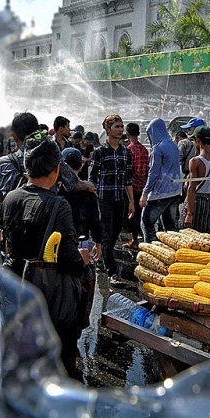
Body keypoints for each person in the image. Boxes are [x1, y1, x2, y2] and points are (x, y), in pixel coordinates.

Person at [0, 132, 88, 378]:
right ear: (55, 170)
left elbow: (7, 244)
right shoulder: (59, 205)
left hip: (16, 291)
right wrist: (84, 257)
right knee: (57, 364)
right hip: (48, 298)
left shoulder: (10, 198)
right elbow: (69, 259)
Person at [89, 114, 134, 288]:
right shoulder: (100, 152)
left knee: (115, 231)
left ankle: (102, 256)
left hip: (119, 198)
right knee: (107, 234)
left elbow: (128, 179)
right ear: (107, 129)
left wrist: (131, 201)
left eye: (121, 126)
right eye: (116, 126)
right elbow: (93, 176)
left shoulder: (125, 152)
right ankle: (112, 272)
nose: (120, 129)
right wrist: (91, 196)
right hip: (104, 198)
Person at [140, 118, 182, 243]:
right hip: (175, 191)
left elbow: (153, 173)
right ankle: (173, 252)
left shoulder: (157, 149)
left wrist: (145, 193)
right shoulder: (173, 145)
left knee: (147, 222)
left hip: (160, 193)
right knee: (170, 228)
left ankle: (150, 250)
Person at [123, 122, 148, 249]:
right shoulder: (144, 149)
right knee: (140, 215)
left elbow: (127, 171)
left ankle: (135, 240)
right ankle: (143, 239)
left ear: (127, 134)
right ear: (138, 133)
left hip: (131, 188)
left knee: (132, 215)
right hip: (142, 187)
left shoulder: (128, 150)